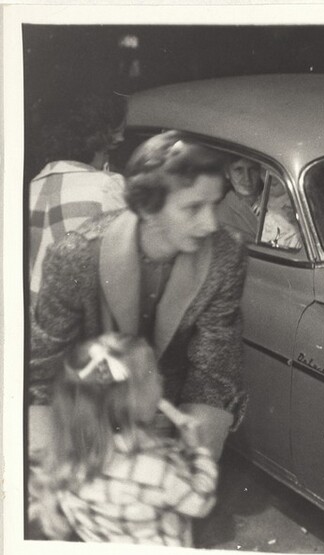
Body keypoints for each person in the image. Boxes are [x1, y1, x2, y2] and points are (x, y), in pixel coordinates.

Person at [29, 130, 247, 472]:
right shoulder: (75, 256)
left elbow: (213, 370)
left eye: (214, 204)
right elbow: (42, 373)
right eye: (193, 208)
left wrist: (189, 464)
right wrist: (56, 471)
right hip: (86, 426)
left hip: (173, 425)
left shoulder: (226, 255)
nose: (210, 224)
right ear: (147, 207)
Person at [29, 333, 219, 546]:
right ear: (136, 400)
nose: (161, 379)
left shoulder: (62, 459)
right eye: (153, 375)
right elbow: (201, 502)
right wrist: (197, 450)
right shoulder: (159, 470)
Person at [29, 92, 128, 297]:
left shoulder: (31, 187)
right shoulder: (107, 186)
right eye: (117, 130)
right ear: (99, 133)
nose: (122, 137)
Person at [216, 155, 262, 243]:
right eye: (239, 170)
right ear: (227, 173)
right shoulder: (222, 214)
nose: (247, 178)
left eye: (252, 169)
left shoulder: (273, 198)